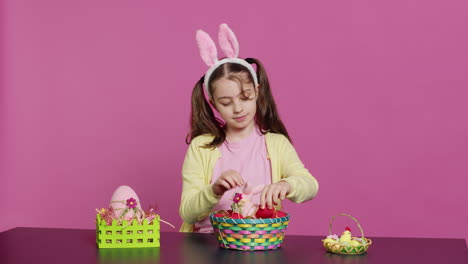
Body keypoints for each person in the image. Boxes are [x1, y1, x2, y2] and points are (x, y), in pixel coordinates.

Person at [179, 24, 319, 232]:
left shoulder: (276, 144)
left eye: (245, 97)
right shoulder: (201, 147)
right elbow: (187, 212)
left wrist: (287, 185)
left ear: (257, 91)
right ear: (213, 103)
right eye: (226, 103)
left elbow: (310, 186)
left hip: (259, 241)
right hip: (208, 242)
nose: (237, 109)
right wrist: (214, 190)